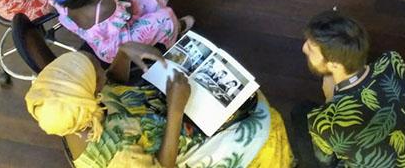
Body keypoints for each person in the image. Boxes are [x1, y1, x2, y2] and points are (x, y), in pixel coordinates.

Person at [25, 45, 294, 167]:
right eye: (97, 70)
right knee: (265, 123)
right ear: (90, 95)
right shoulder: (117, 157)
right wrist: (176, 108)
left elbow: (113, 85)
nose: (99, 66)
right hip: (176, 137)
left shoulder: (79, 111)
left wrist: (123, 52)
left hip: (159, 111)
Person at [291, 10, 405, 168]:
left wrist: (331, 99)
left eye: (311, 48)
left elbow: (325, 160)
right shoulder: (392, 60)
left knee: (300, 112)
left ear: (334, 64)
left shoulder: (324, 122)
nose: (304, 48)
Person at [50, 0, 194, 63]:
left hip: (102, 42)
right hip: (119, 47)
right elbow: (128, 11)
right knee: (165, 17)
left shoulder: (61, 2)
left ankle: (163, 26)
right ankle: (175, 29)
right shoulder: (104, 6)